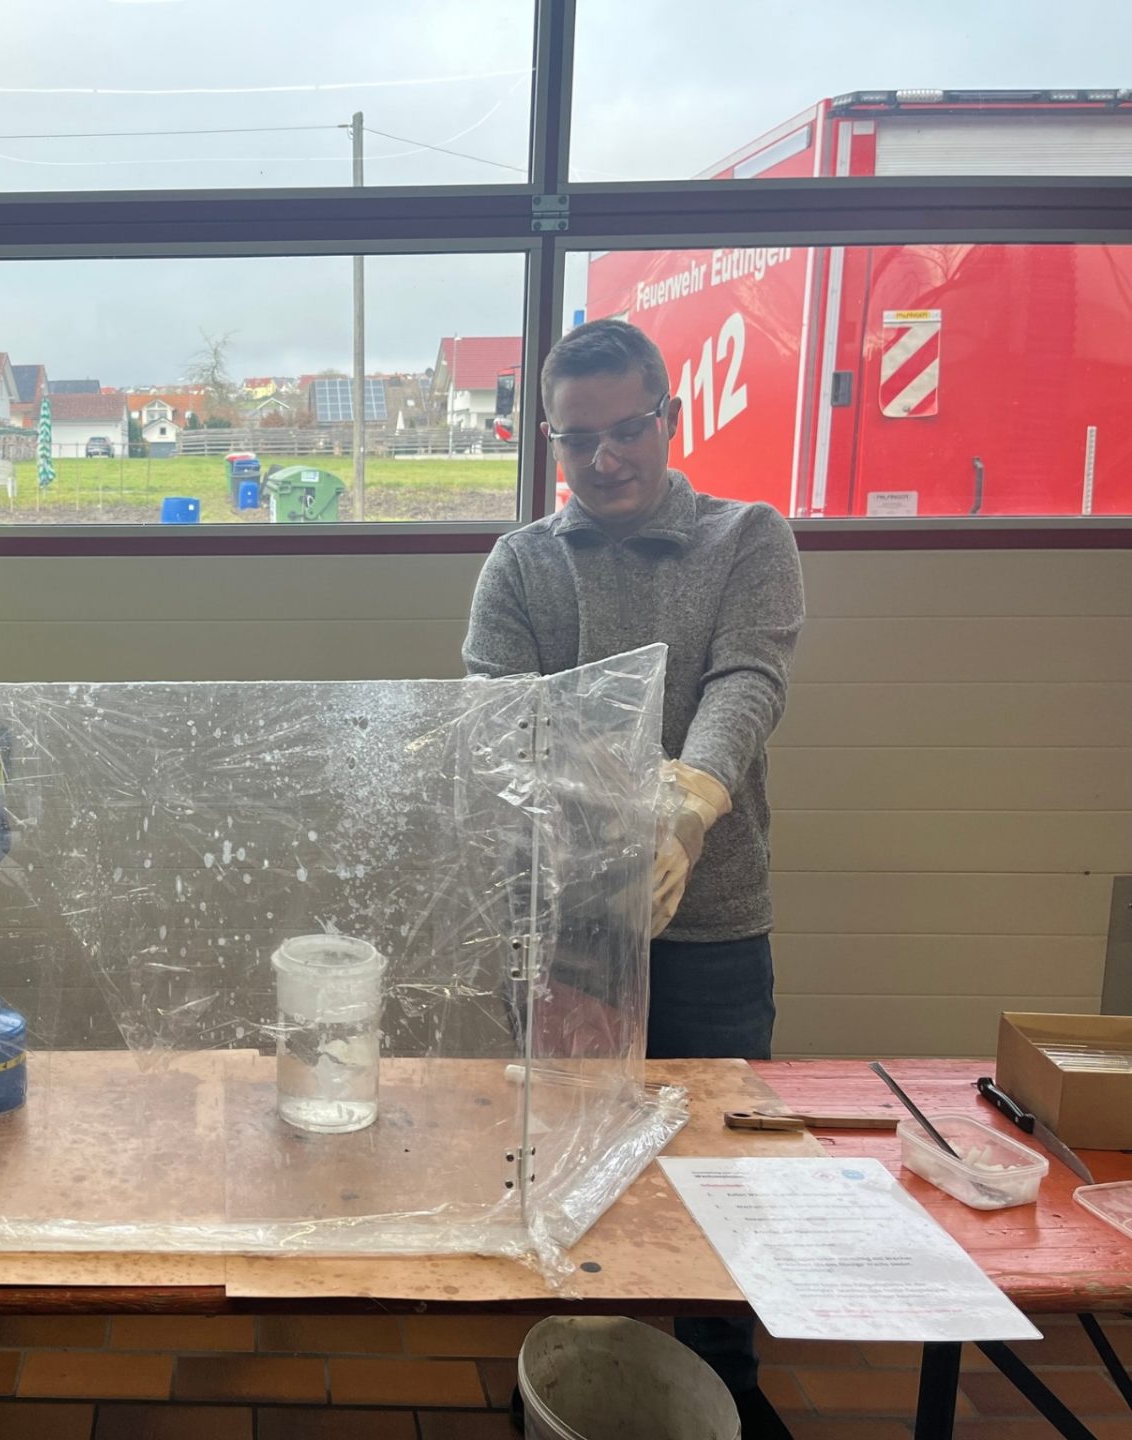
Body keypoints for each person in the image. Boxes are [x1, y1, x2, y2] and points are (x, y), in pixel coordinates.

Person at [463, 318, 803, 1439]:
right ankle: (566, 1370)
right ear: (549, 439)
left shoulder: (747, 538)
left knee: (718, 1162)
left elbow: (747, 679)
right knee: (562, 1152)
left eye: (627, 430)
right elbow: (498, 715)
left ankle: (722, 1380)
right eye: (578, 439)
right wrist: (615, 817)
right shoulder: (523, 564)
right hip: (563, 921)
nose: (604, 459)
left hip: (710, 921)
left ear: (670, 417)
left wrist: (690, 807)